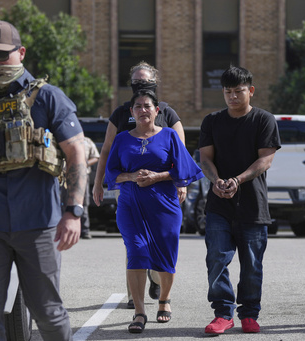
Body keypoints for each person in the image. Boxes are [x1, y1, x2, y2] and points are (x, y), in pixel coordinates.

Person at [0, 21, 86, 340]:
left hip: (39, 224)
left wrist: (73, 212)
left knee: (48, 313)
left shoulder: (49, 99)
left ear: (20, 52)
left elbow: (77, 154)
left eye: (0, 54)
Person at [105, 89, 203, 333]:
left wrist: (158, 176)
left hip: (164, 205)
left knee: (165, 256)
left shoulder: (169, 136)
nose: (143, 110)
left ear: (157, 111)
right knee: (136, 252)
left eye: (147, 106)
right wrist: (131, 176)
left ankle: (164, 300)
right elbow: (111, 173)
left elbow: (185, 169)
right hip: (131, 204)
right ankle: (139, 312)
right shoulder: (122, 139)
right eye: (137, 106)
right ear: (132, 112)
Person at [93, 61, 185, 308]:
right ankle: (136, 299)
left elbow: (182, 154)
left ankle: (157, 280)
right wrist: (97, 184)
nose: (141, 86)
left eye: (145, 82)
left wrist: (181, 184)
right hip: (131, 194)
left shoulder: (167, 112)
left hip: (162, 194)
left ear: (155, 83)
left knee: (159, 248)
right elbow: (106, 151)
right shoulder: (122, 113)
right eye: (136, 82)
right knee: (134, 247)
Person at [199, 66, 281, 334]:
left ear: (251, 91)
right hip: (219, 205)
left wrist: (237, 180)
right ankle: (223, 313)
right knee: (216, 259)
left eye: (238, 91)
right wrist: (218, 181)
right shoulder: (212, 121)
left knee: (252, 265)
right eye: (228, 92)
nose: (233, 96)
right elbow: (205, 159)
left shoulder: (264, 120)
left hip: (253, 205)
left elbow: (265, 159)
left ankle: (249, 314)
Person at [81, 136, 100, 239]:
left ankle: (85, 230)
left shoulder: (87, 141)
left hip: (82, 175)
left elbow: (96, 156)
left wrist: (85, 164)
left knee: (83, 203)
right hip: (64, 175)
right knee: (61, 202)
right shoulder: (64, 138)